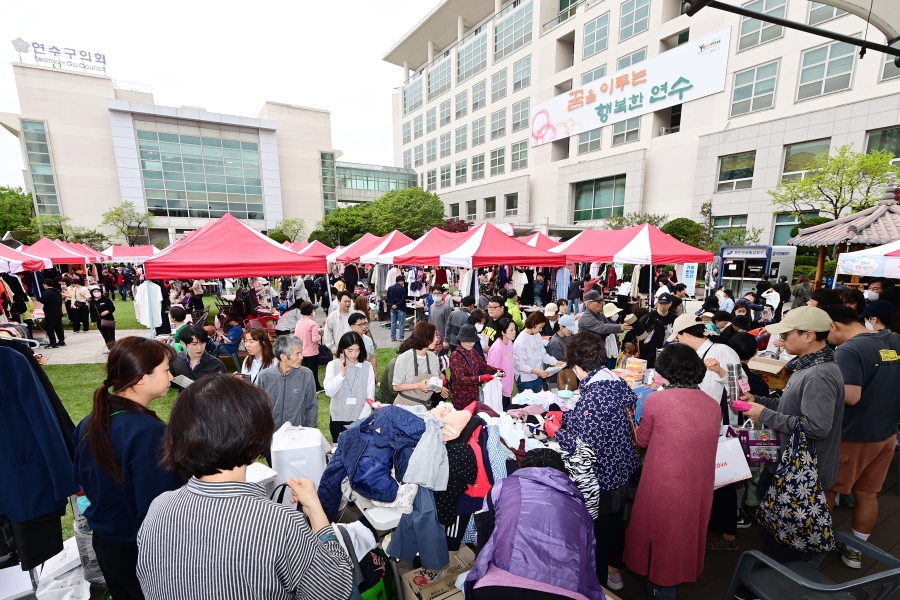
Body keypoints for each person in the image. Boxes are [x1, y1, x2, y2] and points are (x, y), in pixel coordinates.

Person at [136, 373, 353, 600]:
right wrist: (316, 511)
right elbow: (335, 589)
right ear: (255, 433)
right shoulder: (279, 524)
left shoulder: (158, 510)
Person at [73, 337, 184, 600]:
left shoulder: (91, 421)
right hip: (142, 552)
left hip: (107, 544)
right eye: (166, 369)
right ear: (142, 377)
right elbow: (162, 509)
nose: (171, 376)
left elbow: (80, 481)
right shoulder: (149, 433)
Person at [740, 307, 845, 561]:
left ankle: (773, 585)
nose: (782, 339)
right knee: (776, 537)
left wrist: (763, 414)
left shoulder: (819, 374)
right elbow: (791, 406)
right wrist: (760, 401)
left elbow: (817, 427)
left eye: (787, 334)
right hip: (788, 468)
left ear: (809, 336)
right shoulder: (809, 366)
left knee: (784, 545)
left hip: (799, 475)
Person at [624, 344, 723, 600]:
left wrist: (629, 419)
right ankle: (667, 583)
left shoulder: (657, 400)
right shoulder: (713, 405)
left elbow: (642, 442)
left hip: (664, 480)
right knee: (683, 536)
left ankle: (659, 588)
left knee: (660, 537)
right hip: (698, 483)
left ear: (666, 370)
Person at [556, 331, 639, 592]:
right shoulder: (615, 380)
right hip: (621, 464)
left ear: (578, 367)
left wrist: (555, 432)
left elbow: (585, 449)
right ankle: (615, 572)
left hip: (604, 473)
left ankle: (599, 584)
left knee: (601, 529)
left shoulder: (594, 396)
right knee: (615, 522)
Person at [464, 450, 606, 600]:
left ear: (523, 466)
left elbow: (483, 530)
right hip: (568, 592)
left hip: (498, 586)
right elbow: (589, 557)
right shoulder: (580, 506)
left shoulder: (504, 486)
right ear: (562, 471)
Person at [822, 304, 900, 568]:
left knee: (829, 491)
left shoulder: (849, 349)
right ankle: (855, 550)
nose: (827, 341)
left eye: (826, 334)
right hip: (886, 434)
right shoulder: (891, 339)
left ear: (834, 326)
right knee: (867, 494)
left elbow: (851, 396)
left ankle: (815, 547)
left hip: (853, 436)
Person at [668, 313, 744, 549]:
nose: (677, 341)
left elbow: (742, 389)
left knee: (722, 478)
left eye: (678, 336)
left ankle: (728, 535)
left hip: (719, 427)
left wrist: (721, 372)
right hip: (698, 425)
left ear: (686, 334)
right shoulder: (694, 354)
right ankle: (707, 526)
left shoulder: (723, 352)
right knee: (707, 478)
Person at [256, 335, 317, 429]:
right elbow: (258, 409)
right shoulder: (264, 377)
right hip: (272, 435)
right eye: (297, 354)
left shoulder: (306, 375)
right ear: (283, 357)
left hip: (297, 434)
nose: (301, 357)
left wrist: (309, 430)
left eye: (301, 352)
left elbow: (312, 406)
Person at [323, 331, 376, 441]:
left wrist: (360, 420)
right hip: (338, 418)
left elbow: (370, 396)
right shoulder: (332, 365)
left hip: (360, 419)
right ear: (342, 350)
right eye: (350, 350)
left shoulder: (367, 367)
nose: (353, 354)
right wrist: (341, 374)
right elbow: (329, 392)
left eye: (357, 350)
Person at [449, 324, 501, 410]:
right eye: (469, 341)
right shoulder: (455, 356)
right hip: (461, 399)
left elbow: (483, 365)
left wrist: (496, 371)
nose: (472, 344)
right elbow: (460, 379)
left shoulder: (473, 352)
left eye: (473, 341)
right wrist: (480, 378)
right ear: (461, 340)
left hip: (475, 397)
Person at [392, 321, 441, 407]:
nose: (436, 339)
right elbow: (396, 387)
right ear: (424, 337)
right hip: (405, 406)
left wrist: (437, 387)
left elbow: (435, 380)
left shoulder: (433, 357)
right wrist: (418, 385)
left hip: (425, 406)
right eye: (433, 336)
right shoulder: (404, 358)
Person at [513, 312, 563, 394]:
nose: (541, 330)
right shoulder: (520, 341)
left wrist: (556, 362)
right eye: (540, 327)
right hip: (526, 380)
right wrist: (537, 371)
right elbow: (520, 365)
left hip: (538, 376)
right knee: (529, 405)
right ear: (534, 324)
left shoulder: (537, 335)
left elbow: (543, 354)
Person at [634, 292, 675, 368]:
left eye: (666, 304)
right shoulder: (649, 317)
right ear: (657, 303)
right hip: (650, 352)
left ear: (670, 304)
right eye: (661, 303)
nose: (663, 306)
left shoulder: (674, 318)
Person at [487, 317, 517, 409]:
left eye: (514, 329)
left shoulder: (510, 343)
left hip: (508, 385)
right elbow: (492, 372)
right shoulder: (497, 349)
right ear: (503, 332)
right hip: (500, 390)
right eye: (511, 330)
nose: (514, 332)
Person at [294, 301, 323, 392]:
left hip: (302, 351)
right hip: (312, 351)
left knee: (306, 371)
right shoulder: (312, 323)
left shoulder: (299, 322)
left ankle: (309, 387)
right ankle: (316, 388)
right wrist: (320, 334)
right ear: (310, 311)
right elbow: (315, 339)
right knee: (313, 371)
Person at [546, 315, 577, 389]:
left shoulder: (568, 336)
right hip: (557, 379)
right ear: (561, 327)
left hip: (567, 375)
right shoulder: (555, 343)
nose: (571, 331)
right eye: (569, 329)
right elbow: (559, 364)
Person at [348, 312, 378, 383]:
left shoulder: (368, 340)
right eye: (360, 325)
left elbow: (372, 357)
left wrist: (375, 372)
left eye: (365, 324)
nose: (364, 327)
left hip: (366, 372)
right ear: (352, 327)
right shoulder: (347, 341)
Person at [89, 285, 117, 352]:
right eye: (95, 291)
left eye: (98, 291)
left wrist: (107, 311)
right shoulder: (92, 302)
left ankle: (114, 349)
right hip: (99, 321)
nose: (96, 292)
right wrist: (93, 321)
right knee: (105, 336)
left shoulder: (106, 299)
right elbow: (92, 312)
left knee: (111, 336)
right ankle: (109, 348)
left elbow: (112, 308)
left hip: (108, 320)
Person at [41, 280, 66, 348]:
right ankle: (61, 341)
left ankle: (53, 342)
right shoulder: (58, 292)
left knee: (50, 328)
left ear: (46, 285)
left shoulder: (47, 292)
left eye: (44, 284)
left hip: (50, 312)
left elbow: (42, 300)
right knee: (59, 327)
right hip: (58, 311)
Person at [387, 275, 407, 342]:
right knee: (401, 323)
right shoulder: (402, 288)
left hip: (392, 308)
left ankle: (393, 337)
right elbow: (403, 298)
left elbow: (388, 298)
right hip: (401, 307)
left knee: (393, 323)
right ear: (400, 281)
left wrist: (392, 305)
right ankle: (401, 337)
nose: (403, 283)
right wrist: (397, 305)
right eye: (403, 281)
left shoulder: (390, 288)